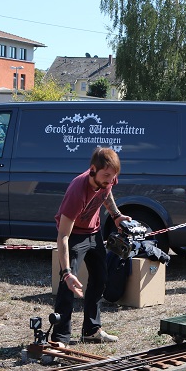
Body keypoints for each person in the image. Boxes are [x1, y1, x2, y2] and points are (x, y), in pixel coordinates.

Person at [53, 147, 131, 344]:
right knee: (68, 285)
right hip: (74, 235)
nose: (110, 180)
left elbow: (107, 193)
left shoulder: (107, 179)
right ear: (93, 170)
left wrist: (116, 215)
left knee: (100, 279)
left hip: (93, 232)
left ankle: (91, 330)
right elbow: (63, 235)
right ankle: (60, 337)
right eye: (106, 176)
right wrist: (66, 272)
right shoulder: (77, 192)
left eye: (113, 176)